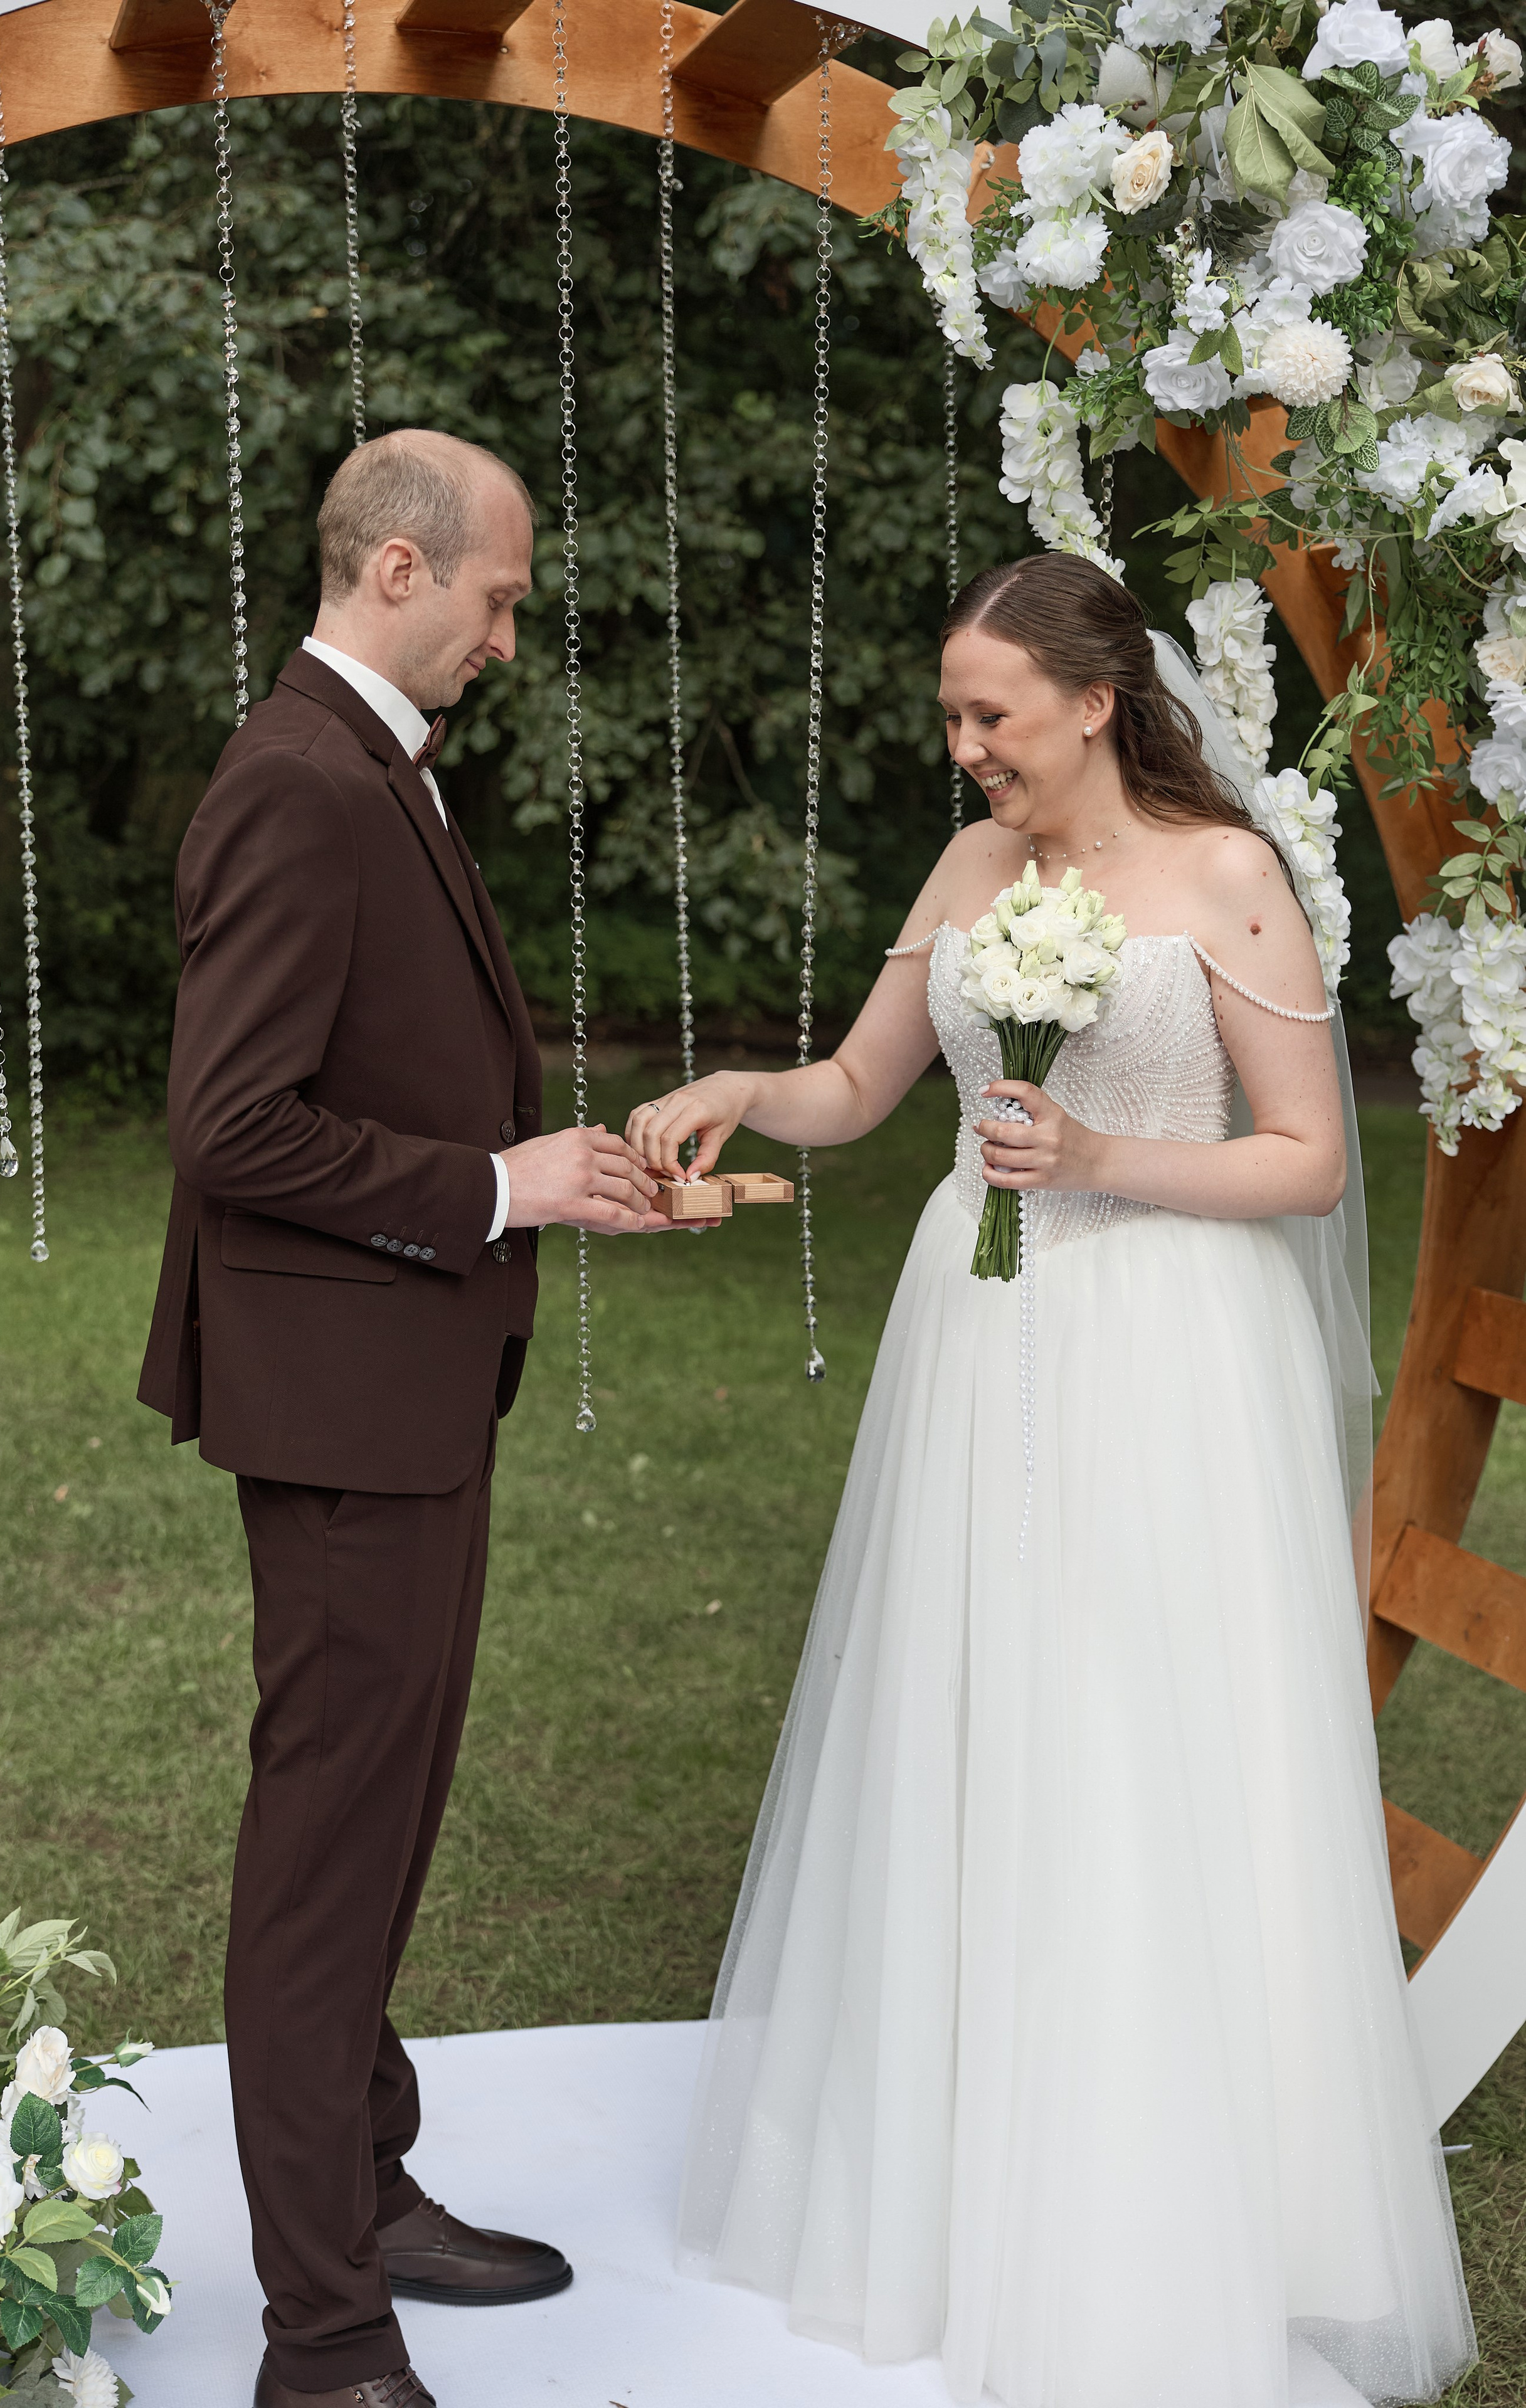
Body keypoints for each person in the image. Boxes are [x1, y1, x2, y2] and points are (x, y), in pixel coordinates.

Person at [629, 553, 1476, 2408]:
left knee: (1128, 1723)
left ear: (1097, 699)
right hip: (981, 1339)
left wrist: (1098, 1150)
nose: (966, 750)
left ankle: (1149, 2188)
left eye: (989, 715)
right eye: (951, 716)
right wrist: (743, 1089)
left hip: (1167, 1355)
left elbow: (1314, 1161)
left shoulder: (1230, 879)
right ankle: (948, 2159)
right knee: (974, 1710)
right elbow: (861, 1092)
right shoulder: (965, 876)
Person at [138, 431, 673, 2408]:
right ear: (393, 567)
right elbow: (234, 1127)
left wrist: (561, 1172)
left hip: (410, 1390)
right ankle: (323, 2336)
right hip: (345, 1402)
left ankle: (365, 2191)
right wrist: (500, 1193)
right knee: (323, 1864)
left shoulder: (362, 763)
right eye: (499, 596)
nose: (507, 636)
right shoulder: (296, 780)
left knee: (383, 1824)